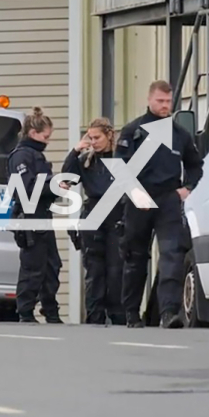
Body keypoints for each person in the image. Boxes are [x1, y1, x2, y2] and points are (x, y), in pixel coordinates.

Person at [115, 80, 203, 329]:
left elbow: (196, 165)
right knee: (135, 258)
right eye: (160, 101)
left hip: (168, 200)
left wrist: (187, 188)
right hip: (139, 199)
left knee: (172, 256)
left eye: (168, 101)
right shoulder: (133, 131)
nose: (165, 106)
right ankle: (132, 313)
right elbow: (119, 168)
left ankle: (168, 313)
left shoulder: (179, 135)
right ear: (149, 100)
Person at [62, 118, 126, 325]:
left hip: (117, 214)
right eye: (90, 137)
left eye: (97, 137)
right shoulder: (86, 161)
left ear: (109, 135)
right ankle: (94, 316)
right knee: (94, 271)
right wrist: (75, 151)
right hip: (93, 215)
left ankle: (118, 315)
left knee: (116, 269)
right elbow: (67, 178)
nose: (94, 142)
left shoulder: (121, 159)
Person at [7, 106, 63, 324]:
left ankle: (50, 310)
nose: (47, 141)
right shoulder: (21, 156)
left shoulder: (35, 155)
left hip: (42, 217)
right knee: (33, 267)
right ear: (33, 133)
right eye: (45, 136)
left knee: (51, 266)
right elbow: (26, 188)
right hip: (30, 218)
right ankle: (26, 312)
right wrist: (53, 186)